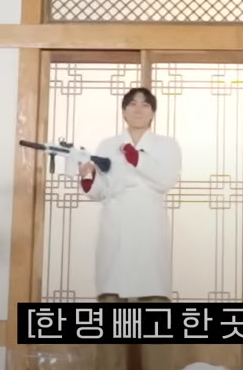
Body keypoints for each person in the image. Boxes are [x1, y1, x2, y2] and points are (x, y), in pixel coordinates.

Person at [78, 87, 183, 370]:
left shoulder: (166, 145)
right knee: (112, 304)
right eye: (132, 104)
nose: (138, 109)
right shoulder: (107, 145)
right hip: (115, 225)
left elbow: (165, 179)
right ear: (124, 111)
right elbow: (100, 190)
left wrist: (136, 158)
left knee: (154, 303)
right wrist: (88, 178)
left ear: (152, 113)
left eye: (145, 105)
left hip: (149, 225)